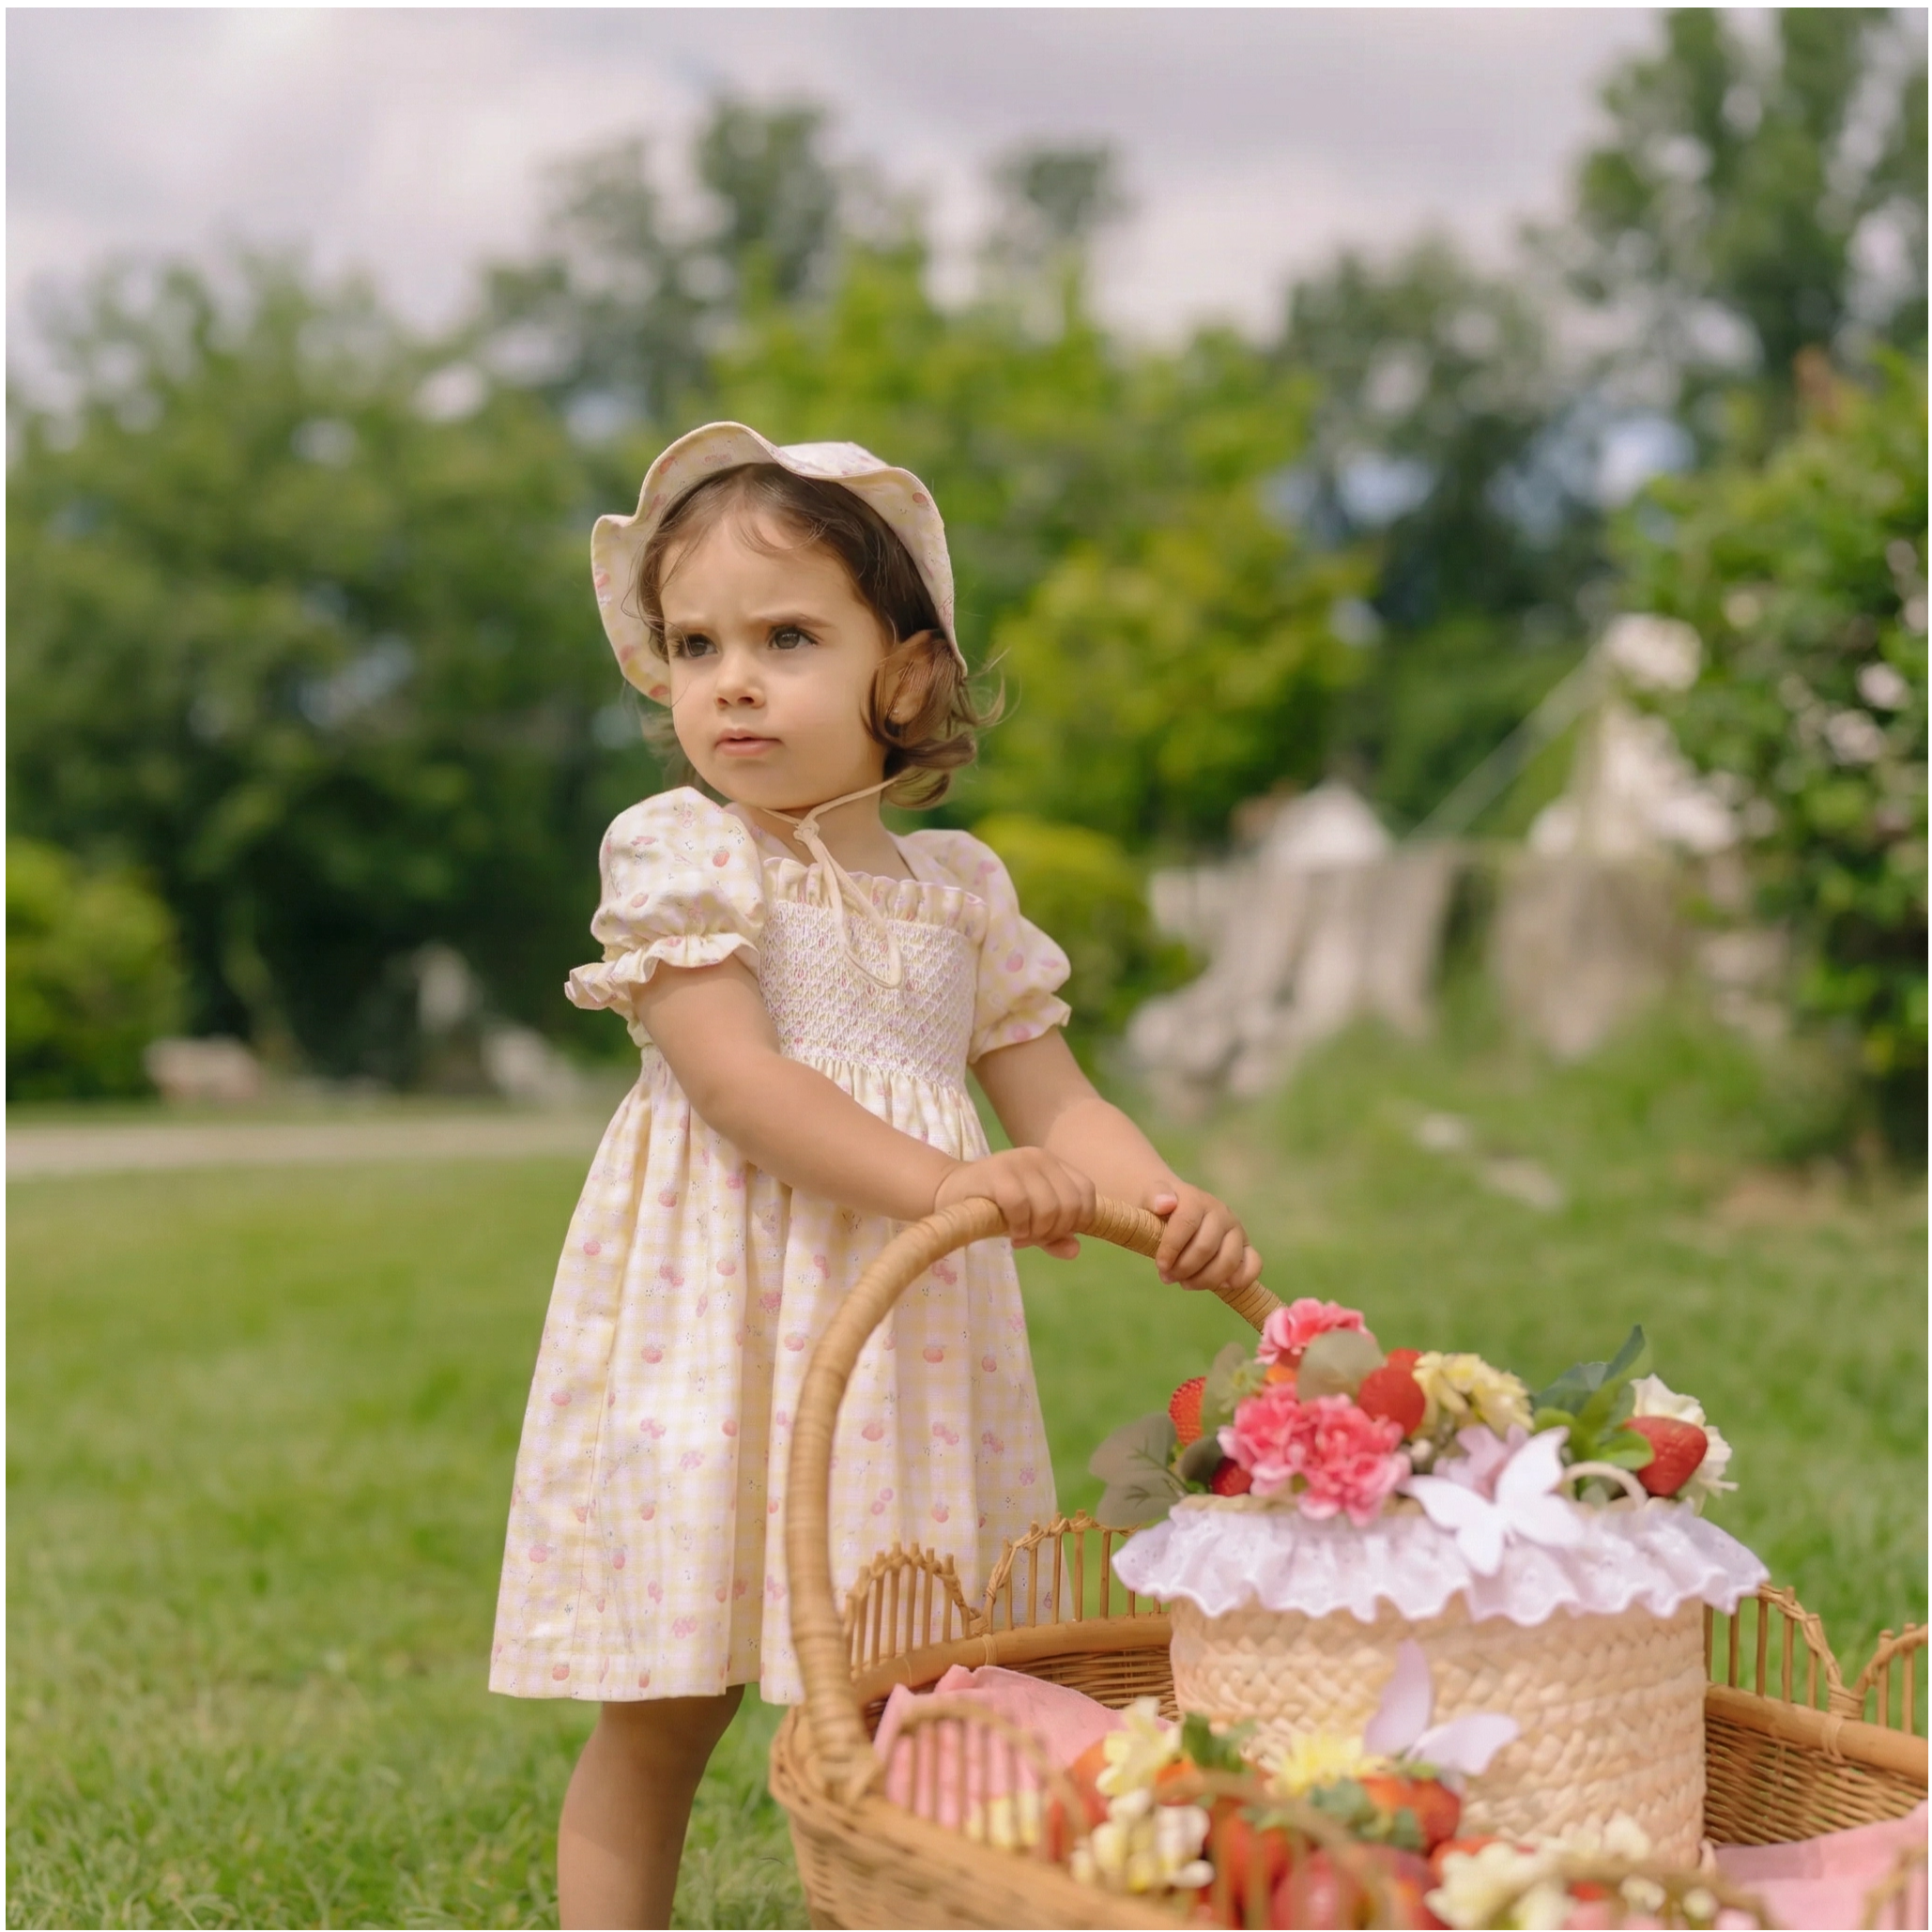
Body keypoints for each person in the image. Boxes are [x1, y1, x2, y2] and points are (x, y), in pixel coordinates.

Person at [489, 422, 1263, 1929]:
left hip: (897, 1348)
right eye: (695, 642)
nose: (731, 678)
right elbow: (741, 1085)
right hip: (712, 1335)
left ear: (902, 673)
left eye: (787, 636)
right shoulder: (682, 857)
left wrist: (1163, 1204)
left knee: (909, 1697)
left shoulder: (959, 894)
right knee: (663, 1710)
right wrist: (950, 1184)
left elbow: (1057, 1095)